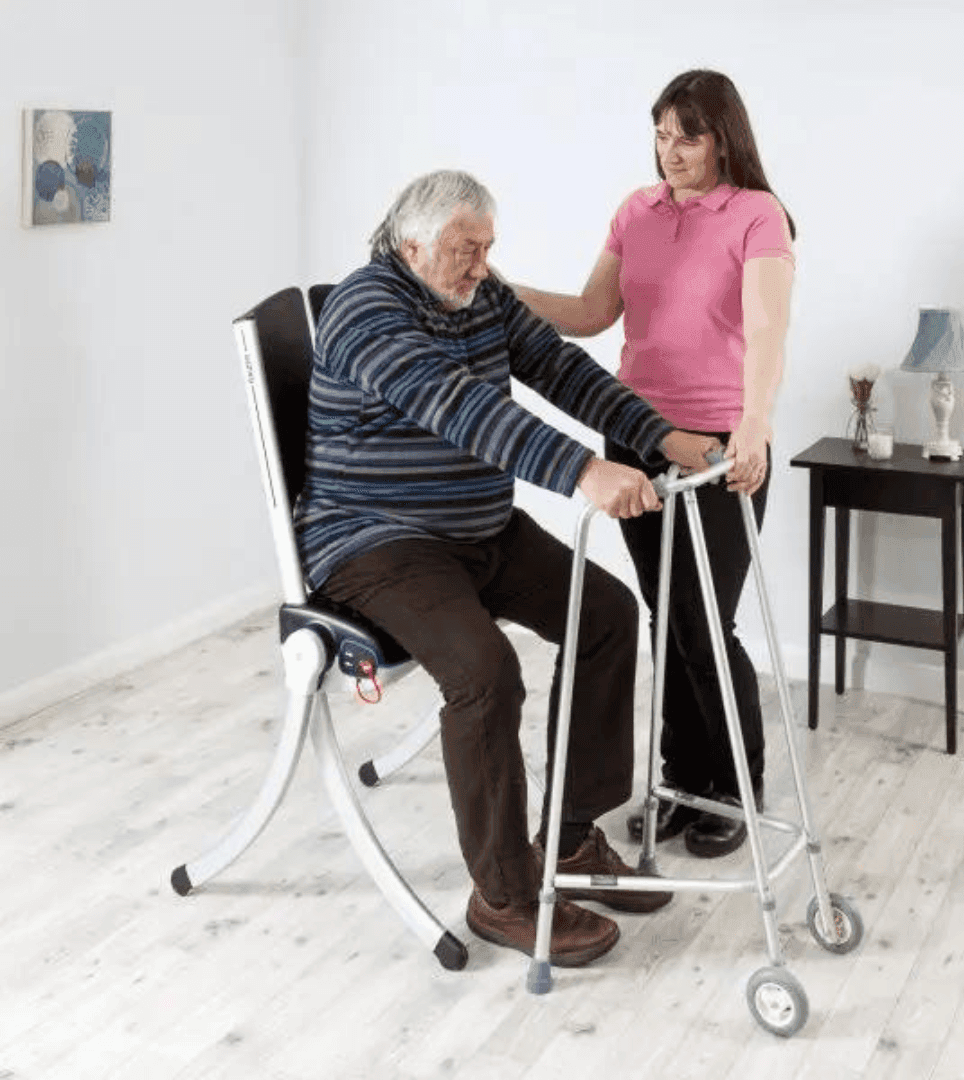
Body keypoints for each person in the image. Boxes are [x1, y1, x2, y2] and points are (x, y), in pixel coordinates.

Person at [294, 170, 721, 967]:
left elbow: (562, 370)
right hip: (376, 541)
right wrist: (581, 473)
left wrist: (662, 437)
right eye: (466, 249)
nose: (480, 266)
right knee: (486, 673)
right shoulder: (366, 310)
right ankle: (502, 894)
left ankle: (567, 838)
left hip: (478, 529)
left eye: (488, 249)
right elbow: (460, 404)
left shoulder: (478, 296)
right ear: (411, 243)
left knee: (607, 615)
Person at [513, 70, 795, 859]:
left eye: (689, 136)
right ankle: (680, 782)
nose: (671, 152)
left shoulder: (757, 215)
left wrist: (755, 427)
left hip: (717, 446)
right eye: (662, 134)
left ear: (724, 138)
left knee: (706, 621)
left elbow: (768, 331)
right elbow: (591, 314)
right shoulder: (635, 211)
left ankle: (734, 788)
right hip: (632, 434)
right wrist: (500, 293)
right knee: (665, 616)